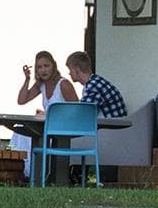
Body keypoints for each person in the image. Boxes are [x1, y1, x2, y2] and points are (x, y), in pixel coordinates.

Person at [14, 50, 78, 178]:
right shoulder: (41, 85)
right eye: (39, 67)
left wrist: (49, 114)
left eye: (46, 66)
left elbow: (77, 110)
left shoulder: (63, 84)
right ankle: (25, 173)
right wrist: (27, 79)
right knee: (20, 132)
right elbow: (21, 100)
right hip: (48, 125)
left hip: (63, 127)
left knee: (27, 135)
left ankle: (34, 174)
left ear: (53, 66)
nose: (43, 70)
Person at [65, 51, 126, 118]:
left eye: (70, 70)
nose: (69, 73)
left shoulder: (92, 86)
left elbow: (82, 114)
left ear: (77, 70)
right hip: (118, 125)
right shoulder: (96, 81)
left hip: (110, 127)